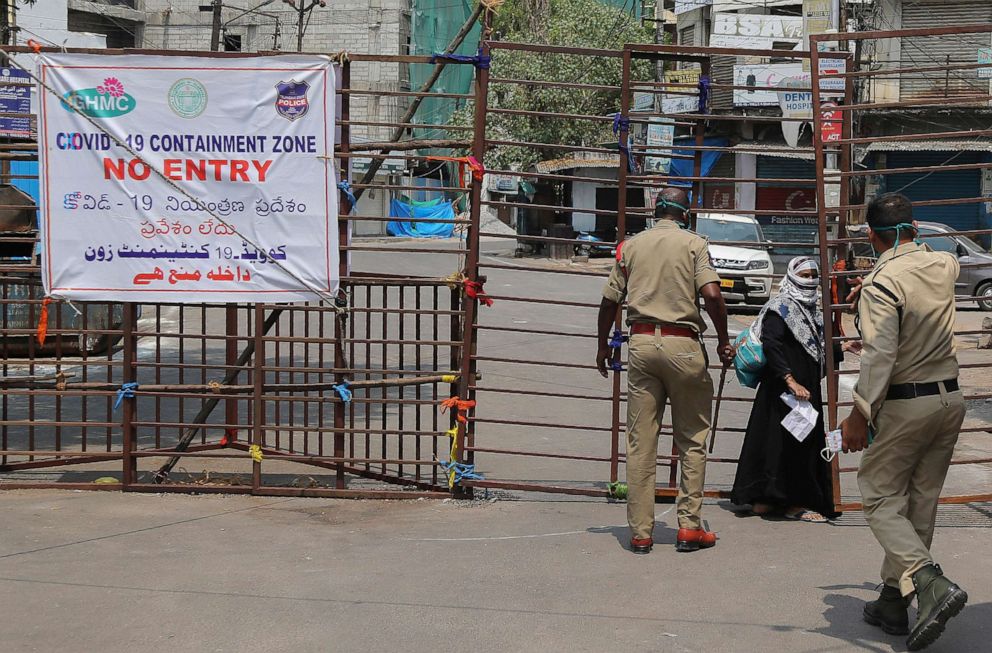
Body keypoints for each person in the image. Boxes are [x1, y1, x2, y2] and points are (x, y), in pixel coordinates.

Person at [840, 193, 967, 651]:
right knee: (920, 502)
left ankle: (930, 582)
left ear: (873, 236)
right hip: (948, 400)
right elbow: (933, 264)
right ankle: (895, 601)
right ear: (913, 229)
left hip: (905, 404)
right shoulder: (943, 266)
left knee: (877, 496)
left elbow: (880, 355)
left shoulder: (882, 281)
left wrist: (859, 413)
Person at [596, 187, 734, 555]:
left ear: (655, 211)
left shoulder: (631, 246)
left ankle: (641, 533)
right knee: (692, 439)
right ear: (685, 213)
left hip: (641, 344)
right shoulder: (694, 244)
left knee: (642, 443)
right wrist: (722, 339)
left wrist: (601, 346)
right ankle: (689, 528)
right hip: (684, 345)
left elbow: (610, 300)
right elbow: (713, 295)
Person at [730, 257, 840, 523]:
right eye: (804, 273)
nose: (810, 278)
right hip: (781, 389)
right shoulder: (780, 307)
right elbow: (772, 344)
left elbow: (818, 345)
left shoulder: (814, 309)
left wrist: (843, 348)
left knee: (799, 440)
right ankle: (781, 500)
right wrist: (790, 380)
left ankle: (781, 499)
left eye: (814, 273)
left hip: (806, 389)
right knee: (777, 441)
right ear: (792, 275)